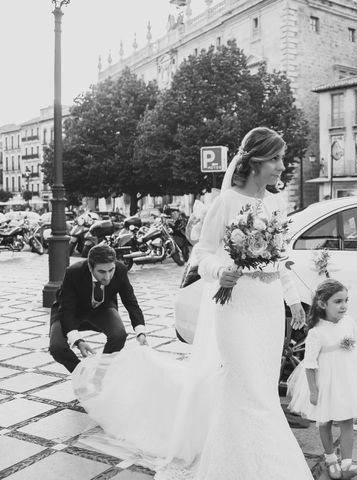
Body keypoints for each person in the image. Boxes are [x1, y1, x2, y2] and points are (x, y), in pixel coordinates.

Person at [71, 127, 311, 479]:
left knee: (261, 389)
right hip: (237, 308)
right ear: (255, 161)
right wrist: (222, 271)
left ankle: (247, 465)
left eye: (281, 158)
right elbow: (202, 253)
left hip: (269, 309)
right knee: (247, 391)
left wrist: (293, 302)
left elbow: (281, 259)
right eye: (275, 158)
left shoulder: (275, 203)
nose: (281, 165)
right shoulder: (226, 202)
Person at [287, 279, 357, 479]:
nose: (344, 305)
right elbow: (310, 364)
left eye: (346, 300)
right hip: (325, 382)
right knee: (325, 421)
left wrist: (354, 364)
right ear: (322, 304)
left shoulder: (349, 322)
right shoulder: (316, 332)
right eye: (338, 301)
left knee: (347, 421)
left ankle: (347, 464)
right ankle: (331, 460)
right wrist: (313, 390)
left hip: (347, 378)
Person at [48, 244, 148, 373]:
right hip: (71, 310)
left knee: (119, 335)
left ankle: (101, 373)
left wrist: (140, 332)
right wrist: (78, 340)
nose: (107, 277)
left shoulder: (120, 270)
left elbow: (130, 302)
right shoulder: (73, 272)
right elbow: (67, 308)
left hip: (102, 308)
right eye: (101, 272)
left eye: (110, 270)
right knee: (57, 348)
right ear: (90, 267)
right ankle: (82, 373)